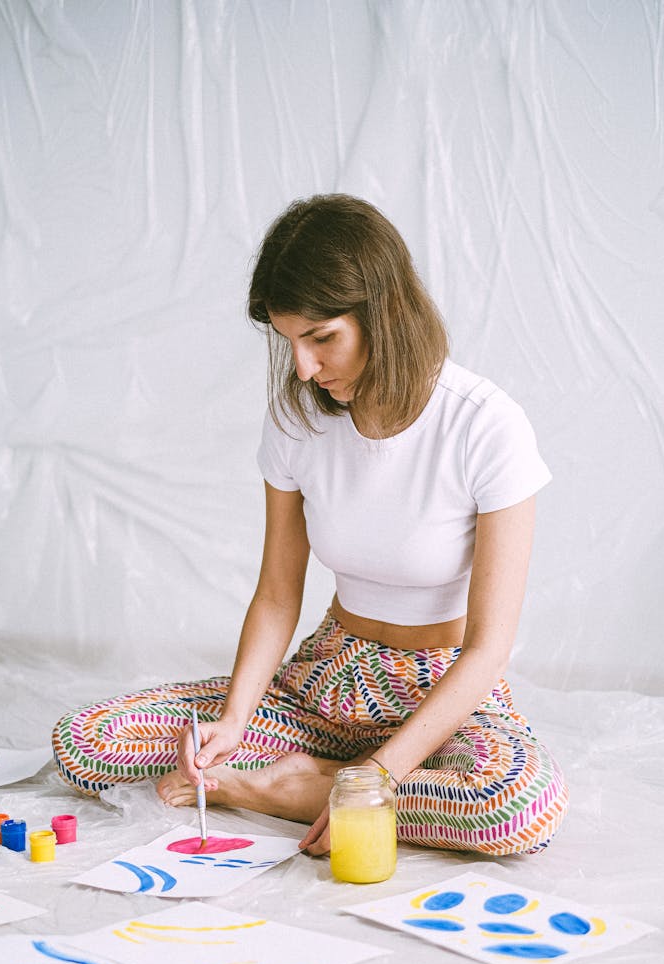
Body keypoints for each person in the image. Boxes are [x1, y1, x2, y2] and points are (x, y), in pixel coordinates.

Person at [52, 193, 568, 857]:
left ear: (383, 314)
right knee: (89, 743)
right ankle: (323, 782)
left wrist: (380, 775)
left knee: (513, 806)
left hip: (440, 691)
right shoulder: (298, 421)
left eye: (321, 338)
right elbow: (276, 592)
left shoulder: (485, 425)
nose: (304, 368)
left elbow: (488, 648)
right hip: (328, 680)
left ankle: (284, 792)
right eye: (289, 341)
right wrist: (234, 720)